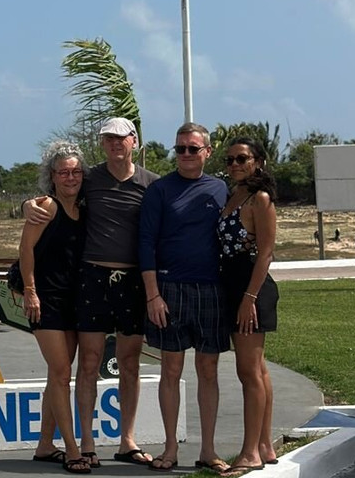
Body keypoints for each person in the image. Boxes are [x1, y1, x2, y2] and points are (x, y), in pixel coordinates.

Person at [25, 117, 158, 467]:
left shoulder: (152, 185)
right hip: (92, 279)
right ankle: (85, 443)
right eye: (108, 139)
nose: (115, 144)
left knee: (128, 363)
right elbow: (53, 195)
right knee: (87, 363)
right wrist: (29, 204)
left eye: (121, 138)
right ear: (102, 145)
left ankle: (126, 440)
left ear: (134, 142)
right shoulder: (89, 178)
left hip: (131, 283)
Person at [140, 122, 230, 473]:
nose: (187, 155)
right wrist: (152, 295)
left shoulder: (221, 190)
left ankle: (208, 450)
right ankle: (169, 448)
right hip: (169, 289)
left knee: (208, 369)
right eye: (180, 149)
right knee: (170, 369)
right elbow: (145, 243)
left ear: (207, 152)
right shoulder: (160, 191)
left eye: (193, 148)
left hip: (211, 290)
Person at [20, 141, 88, 473]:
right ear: (53, 175)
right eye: (64, 172)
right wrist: (30, 291)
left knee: (57, 375)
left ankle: (45, 446)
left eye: (76, 171)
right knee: (62, 374)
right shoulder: (45, 207)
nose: (71, 177)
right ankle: (73, 450)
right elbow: (25, 250)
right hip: (45, 300)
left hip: (75, 299)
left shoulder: (86, 205)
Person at [218, 138, 279, 476]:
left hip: (250, 288)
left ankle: (250, 452)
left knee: (248, 372)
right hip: (232, 284)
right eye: (229, 160)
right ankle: (265, 445)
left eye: (242, 158)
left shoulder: (261, 199)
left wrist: (249, 299)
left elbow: (266, 253)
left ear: (258, 161)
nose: (235, 165)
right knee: (259, 369)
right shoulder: (234, 194)